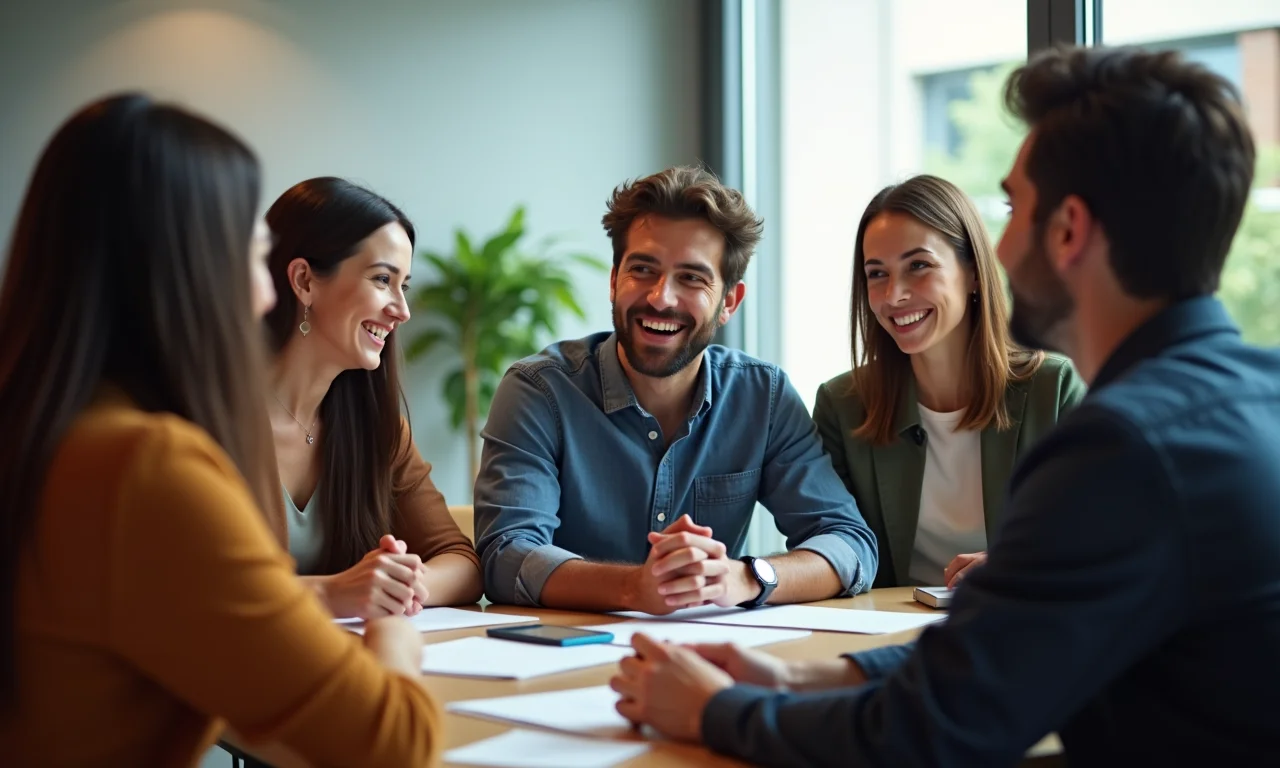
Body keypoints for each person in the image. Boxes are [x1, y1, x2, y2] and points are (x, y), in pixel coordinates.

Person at [610, 44, 1280, 765]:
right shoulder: (1256, 395)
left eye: (1012, 206)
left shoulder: (1121, 448)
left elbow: (933, 730)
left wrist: (717, 712)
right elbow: (1006, 651)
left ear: (1069, 230)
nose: (1000, 241)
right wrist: (795, 675)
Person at [0, 94, 441, 766]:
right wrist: (393, 636)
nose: (263, 292)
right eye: (250, 254)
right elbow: (394, 744)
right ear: (188, 265)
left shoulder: (48, 428)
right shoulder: (146, 465)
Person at [474, 165, 879, 612]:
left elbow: (850, 544)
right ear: (614, 281)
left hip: (709, 659)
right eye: (642, 269)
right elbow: (505, 554)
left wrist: (745, 577)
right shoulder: (540, 391)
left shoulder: (763, 397)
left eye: (691, 278)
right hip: (560, 656)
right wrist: (634, 588)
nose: (661, 297)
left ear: (729, 301)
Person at [814, 174, 1084, 589]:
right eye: (877, 273)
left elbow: (1099, 532)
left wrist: (1018, 563)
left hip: (1018, 625)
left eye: (918, 266)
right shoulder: (842, 405)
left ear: (973, 272)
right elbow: (834, 545)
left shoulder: (1055, 388)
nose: (894, 295)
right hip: (883, 636)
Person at [263, 177, 482, 619]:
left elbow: (462, 562)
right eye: (383, 279)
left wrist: (401, 583)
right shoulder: (203, 423)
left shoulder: (376, 427)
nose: (402, 310)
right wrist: (331, 593)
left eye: (404, 285)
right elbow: (181, 589)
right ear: (305, 280)